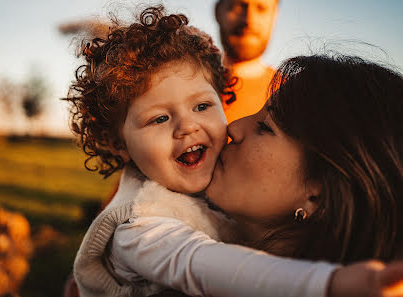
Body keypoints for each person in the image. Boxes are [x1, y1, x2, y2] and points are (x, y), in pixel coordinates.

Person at [65, 5, 403, 297]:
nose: (233, 128)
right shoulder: (140, 224)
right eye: (160, 118)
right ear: (119, 145)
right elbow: (203, 264)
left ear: (319, 195)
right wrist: (331, 285)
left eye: (202, 106)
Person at [215, 0, 278, 123]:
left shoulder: (293, 94)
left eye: (261, 8)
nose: (249, 20)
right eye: (239, 7)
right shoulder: (182, 82)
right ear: (218, 12)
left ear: (274, 16)